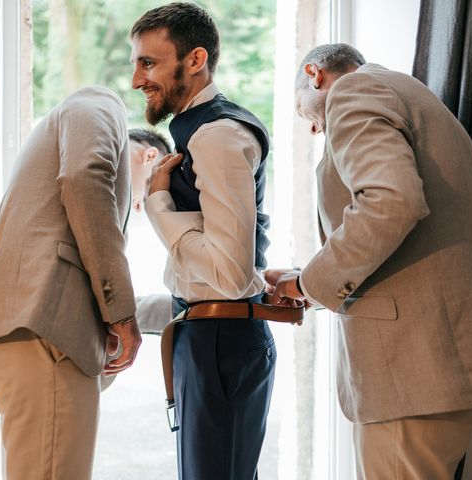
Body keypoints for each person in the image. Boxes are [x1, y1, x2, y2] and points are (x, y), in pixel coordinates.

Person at [268, 43, 472, 479]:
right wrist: (309, 280)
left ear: (315, 74)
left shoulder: (355, 92)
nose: (313, 129)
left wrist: (309, 284)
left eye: (305, 113)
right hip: (440, 361)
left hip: (412, 371)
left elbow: (391, 202)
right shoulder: (416, 95)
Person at [130, 3, 276, 479]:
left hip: (221, 340)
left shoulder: (216, 135)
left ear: (195, 60)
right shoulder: (198, 131)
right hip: (205, 337)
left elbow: (231, 275)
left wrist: (159, 208)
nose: (136, 79)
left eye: (148, 63)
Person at [0, 86, 142, 480]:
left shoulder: (45, 147)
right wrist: (120, 312)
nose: (138, 200)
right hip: (45, 322)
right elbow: (83, 177)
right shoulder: (99, 102)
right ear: (148, 153)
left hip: (28, 324)